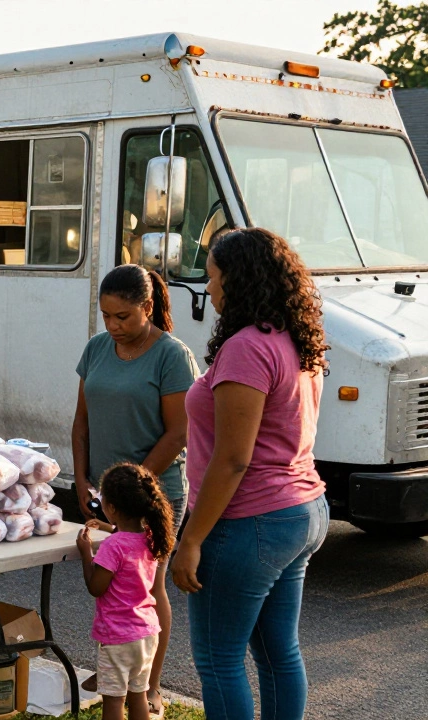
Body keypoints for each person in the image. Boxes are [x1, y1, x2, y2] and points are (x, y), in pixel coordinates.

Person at [171, 228, 329, 720]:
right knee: (278, 652)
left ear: (239, 281)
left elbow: (233, 458)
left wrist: (192, 539)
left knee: (219, 661)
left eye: (215, 278)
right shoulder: (292, 337)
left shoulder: (247, 346)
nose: (210, 289)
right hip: (299, 511)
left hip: (250, 519)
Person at [72, 263, 198, 715]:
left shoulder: (171, 355)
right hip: (109, 494)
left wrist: (130, 489)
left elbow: (178, 432)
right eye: (105, 316)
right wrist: (84, 478)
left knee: (148, 587)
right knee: (114, 585)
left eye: (122, 317)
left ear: (147, 307)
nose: (112, 326)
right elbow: (82, 423)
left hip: (152, 495)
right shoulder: (97, 349)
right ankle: (117, 672)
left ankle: (147, 685)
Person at [76, 463, 175, 720]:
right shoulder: (152, 538)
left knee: (113, 701)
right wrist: (110, 528)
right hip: (146, 634)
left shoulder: (113, 546)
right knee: (137, 695)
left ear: (112, 508)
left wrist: (86, 554)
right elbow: (128, 536)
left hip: (118, 638)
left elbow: (96, 588)